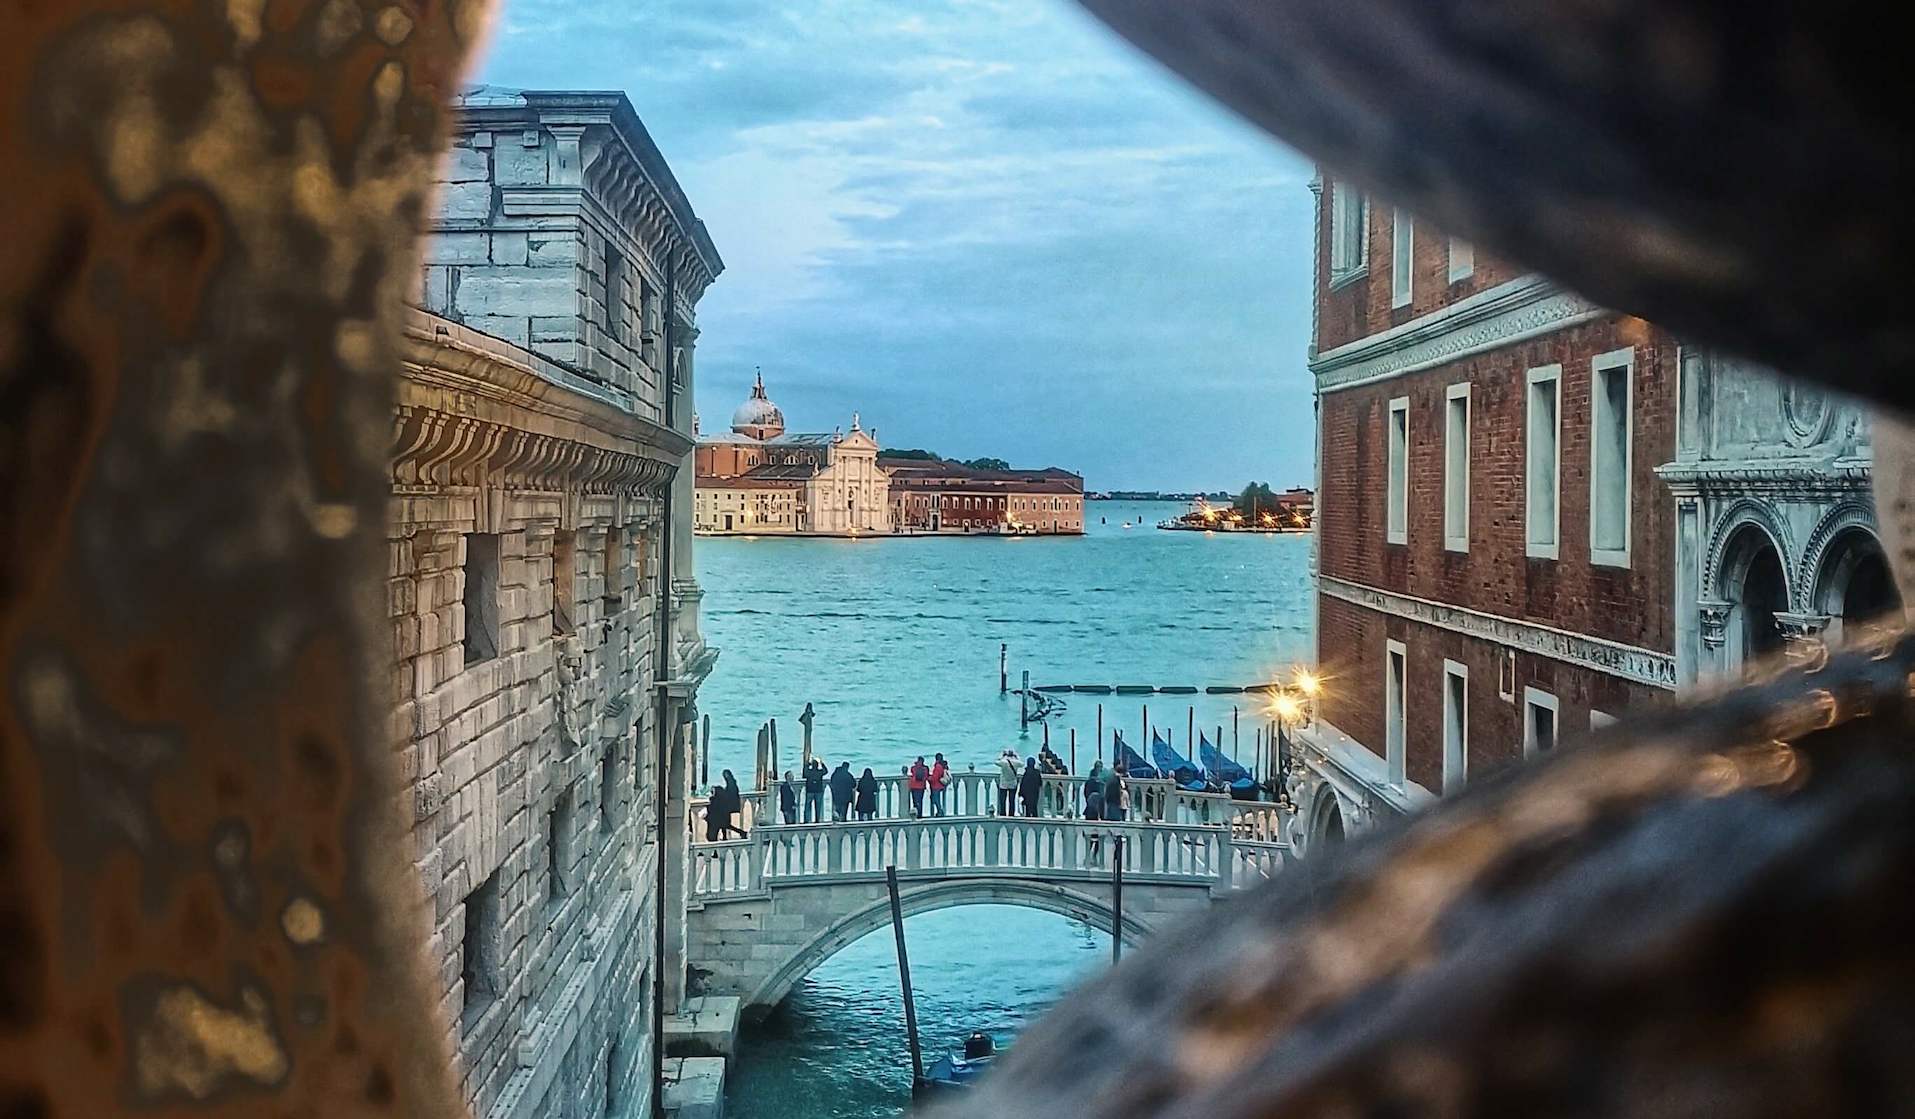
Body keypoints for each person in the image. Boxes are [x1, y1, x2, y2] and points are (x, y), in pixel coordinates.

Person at [713, 770, 748, 839]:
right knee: (724, 824)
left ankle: (741, 832)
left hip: (727, 807)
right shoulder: (732, 783)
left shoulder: (732, 784)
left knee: (725, 824)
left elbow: (729, 794)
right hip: (726, 807)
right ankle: (726, 836)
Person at [802, 756, 827, 823]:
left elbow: (804, 772)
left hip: (810, 791)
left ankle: (807, 820)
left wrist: (808, 764)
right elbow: (826, 771)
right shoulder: (819, 772)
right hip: (818, 791)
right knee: (818, 807)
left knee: (807, 806)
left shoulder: (809, 772)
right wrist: (822, 763)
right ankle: (817, 820)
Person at [995, 749, 1020, 816]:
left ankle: (1003, 814)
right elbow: (1022, 764)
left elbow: (996, 762)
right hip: (1013, 784)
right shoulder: (1016, 762)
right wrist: (1017, 756)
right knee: (1012, 801)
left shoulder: (1004, 762)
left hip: (1003, 784)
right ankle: (1011, 814)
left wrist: (1001, 756)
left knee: (1002, 801)